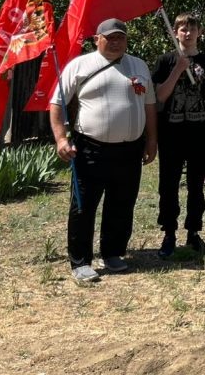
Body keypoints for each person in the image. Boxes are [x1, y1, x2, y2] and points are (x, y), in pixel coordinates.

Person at [49, 18, 157, 283]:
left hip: (130, 149)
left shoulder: (138, 65)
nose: (116, 42)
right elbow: (56, 103)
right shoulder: (80, 65)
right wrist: (61, 139)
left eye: (120, 37)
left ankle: (113, 253)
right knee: (84, 206)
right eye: (110, 37)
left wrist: (152, 140)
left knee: (122, 203)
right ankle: (80, 261)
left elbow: (150, 106)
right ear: (97, 39)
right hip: (90, 149)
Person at [152, 12, 205, 258]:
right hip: (171, 132)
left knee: (196, 185)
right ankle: (168, 232)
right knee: (168, 184)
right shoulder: (165, 61)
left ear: (199, 32)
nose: (187, 33)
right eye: (182, 28)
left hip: (198, 131)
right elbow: (159, 96)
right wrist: (178, 70)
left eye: (192, 28)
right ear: (176, 32)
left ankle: (194, 232)